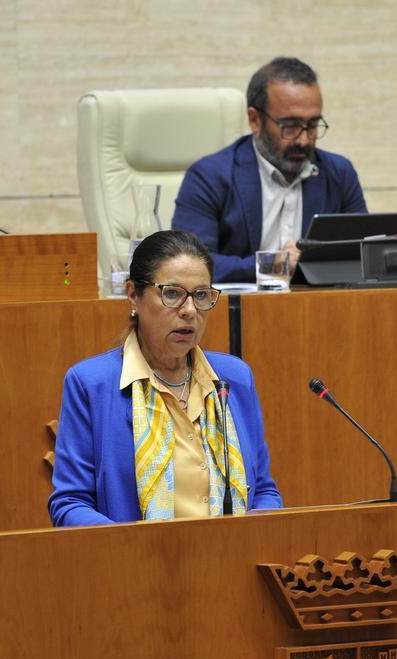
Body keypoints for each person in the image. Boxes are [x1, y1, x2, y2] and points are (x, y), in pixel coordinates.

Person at [49, 230, 283, 527]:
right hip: (136, 566)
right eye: (172, 293)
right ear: (133, 294)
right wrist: (132, 548)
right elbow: (70, 504)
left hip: (231, 563)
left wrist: (255, 530)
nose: (189, 311)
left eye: (200, 295)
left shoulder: (233, 378)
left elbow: (263, 490)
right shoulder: (91, 384)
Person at [172, 57, 367, 282]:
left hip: (318, 308)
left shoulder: (339, 174)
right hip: (241, 311)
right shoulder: (209, 176)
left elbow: (363, 254)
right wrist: (273, 265)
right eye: (290, 126)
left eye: (312, 125)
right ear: (255, 120)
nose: (304, 140)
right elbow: (189, 264)